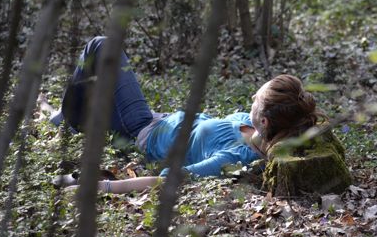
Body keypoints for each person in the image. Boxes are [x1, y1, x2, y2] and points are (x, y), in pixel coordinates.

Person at [46, 36, 322, 194]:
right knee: (95, 89)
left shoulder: (233, 159)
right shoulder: (254, 128)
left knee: (101, 46)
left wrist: (102, 187)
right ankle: (68, 116)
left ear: (264, 122)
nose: (251, 98)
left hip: (140, 130)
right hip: (160, 118)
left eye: (256, 99)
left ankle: (66, 119)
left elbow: (167, 181)